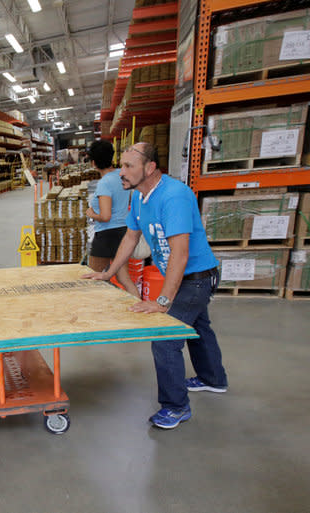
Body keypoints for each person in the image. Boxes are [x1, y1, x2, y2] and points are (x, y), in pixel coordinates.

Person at [83, 142, 227, 430]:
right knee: (199, 327)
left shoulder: (174, 196)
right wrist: (108, 272)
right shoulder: (139, 197)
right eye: (121, 165)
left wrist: (162, 302)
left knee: (164, 338)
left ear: (149, 168)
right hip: (189, 277)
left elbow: (180, 253)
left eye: (128, 167)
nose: (121, 172)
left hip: (196, 278)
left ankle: (176, 407)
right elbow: (130, 238)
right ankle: (213, 379)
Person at [85, 140, 138, 297]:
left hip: (106, 235)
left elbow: (105, 216)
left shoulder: (104, 183)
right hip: (123, 232)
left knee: (91, 276)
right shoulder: (121, 177)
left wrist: (91, 214)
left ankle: (95, 314)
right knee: (124, 278)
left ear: (94, 163)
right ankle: (140, 309)